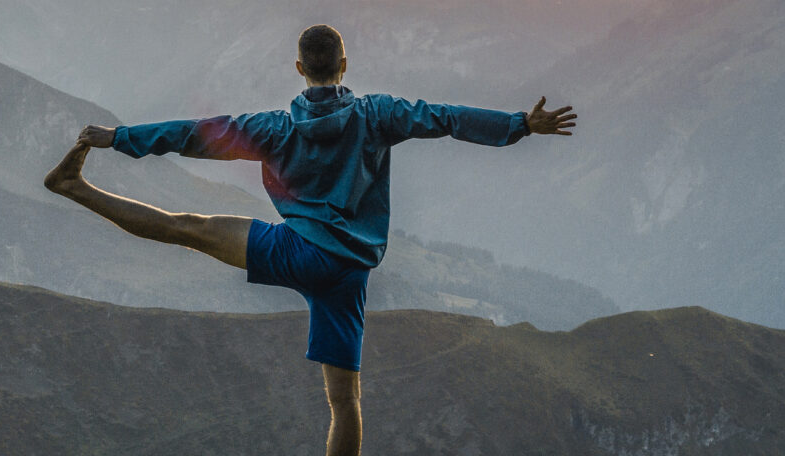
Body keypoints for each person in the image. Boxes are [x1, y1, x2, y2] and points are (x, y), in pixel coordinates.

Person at [45, 24, 575, 456]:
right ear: (344, 65)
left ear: (299, 69)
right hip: (348, 272)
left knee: (184, 227)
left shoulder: (274, 127)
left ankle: (74, 186)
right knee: (344, 403)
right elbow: (446, 118)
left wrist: (120, 138)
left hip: (295, 253)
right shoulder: (378, 115)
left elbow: (193, 135)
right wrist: (520, 125)